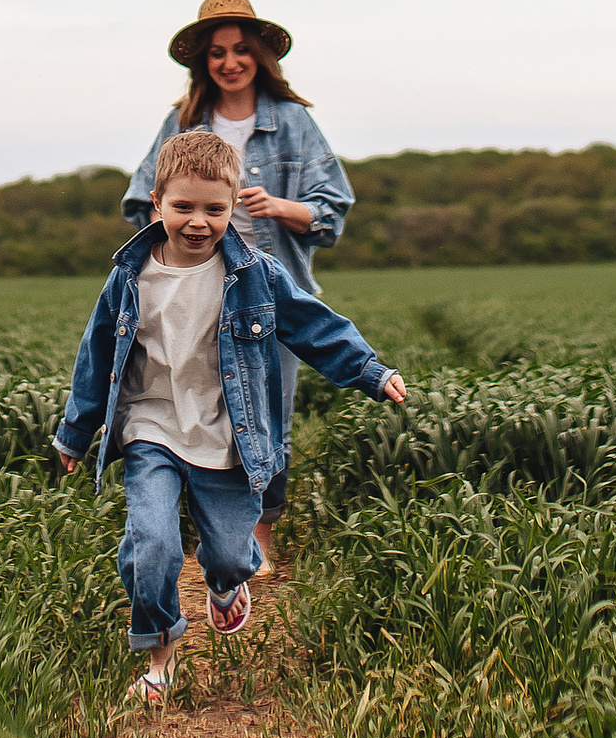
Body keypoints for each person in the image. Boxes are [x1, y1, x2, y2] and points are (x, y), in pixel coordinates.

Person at [56, 124, 407, 704]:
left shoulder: (255, 276)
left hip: (226, 434)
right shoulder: (128, 278)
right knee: (152, 544)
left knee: (224, 551)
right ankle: (159, 654)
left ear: (233, 209)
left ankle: (225, 580)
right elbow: (96, 356)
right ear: (156, 204)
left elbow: (314, 328)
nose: (198, 221)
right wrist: (75, 431)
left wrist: (370, 371)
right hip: (152, 429)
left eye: (214, 209)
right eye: (183, 207)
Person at [126, 0, 354, 558]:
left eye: (241, 50)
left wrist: (280, 206)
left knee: (266, 415)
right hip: (190, 290)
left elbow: (332, 209)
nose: (230, 63)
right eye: (217, 53)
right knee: (191, 406)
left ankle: (260, 535)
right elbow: (139, 201)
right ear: (203, 62)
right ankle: (198, 527)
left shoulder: (295, 123)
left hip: (268, 292)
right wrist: (179, 226)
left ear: (260, 56)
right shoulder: (181, 123)